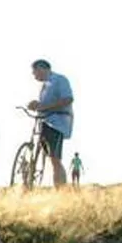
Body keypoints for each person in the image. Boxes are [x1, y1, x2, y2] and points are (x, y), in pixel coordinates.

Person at [27, 59, 74, 188]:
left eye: (34, 72)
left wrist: (44, 107)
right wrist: (36, 104)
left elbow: (68, 99)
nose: (34, 75)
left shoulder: (59, 79)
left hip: (57, 123)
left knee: (55, 159)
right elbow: (44, 105)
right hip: (45, 121)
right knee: (49, 158)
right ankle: (29, 183)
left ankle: (61, 191)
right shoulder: (44, 86)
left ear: (41, 68)